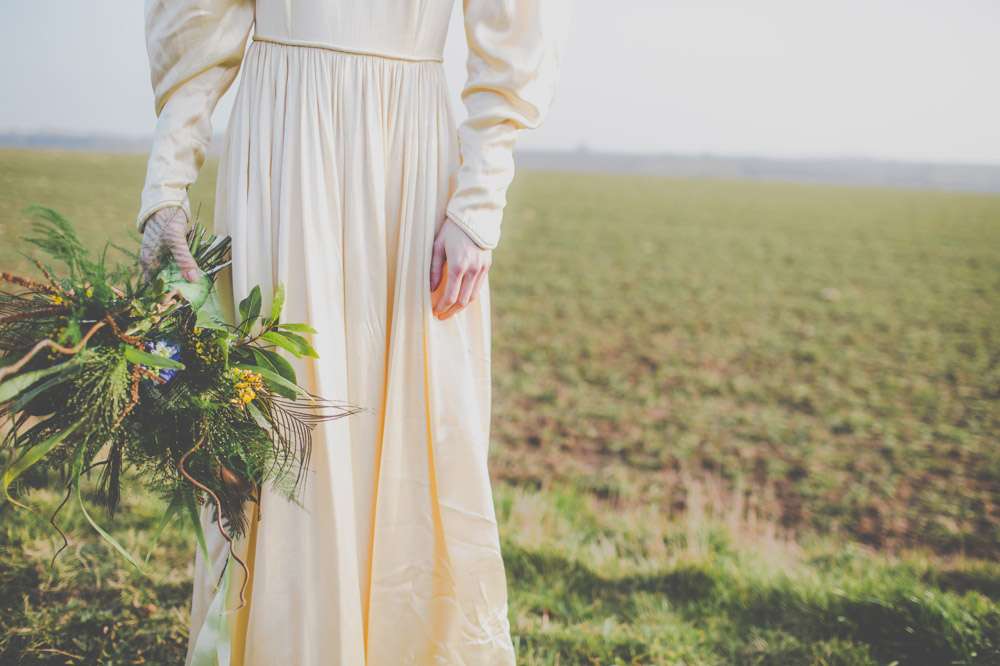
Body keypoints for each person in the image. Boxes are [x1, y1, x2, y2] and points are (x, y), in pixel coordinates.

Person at [135, 0, 568, 664]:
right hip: (280, 153)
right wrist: (166, 188)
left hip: (408, 162)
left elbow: (513, 27)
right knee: (279, 425)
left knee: (416, 426)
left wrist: (479, 202)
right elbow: (199, 19)